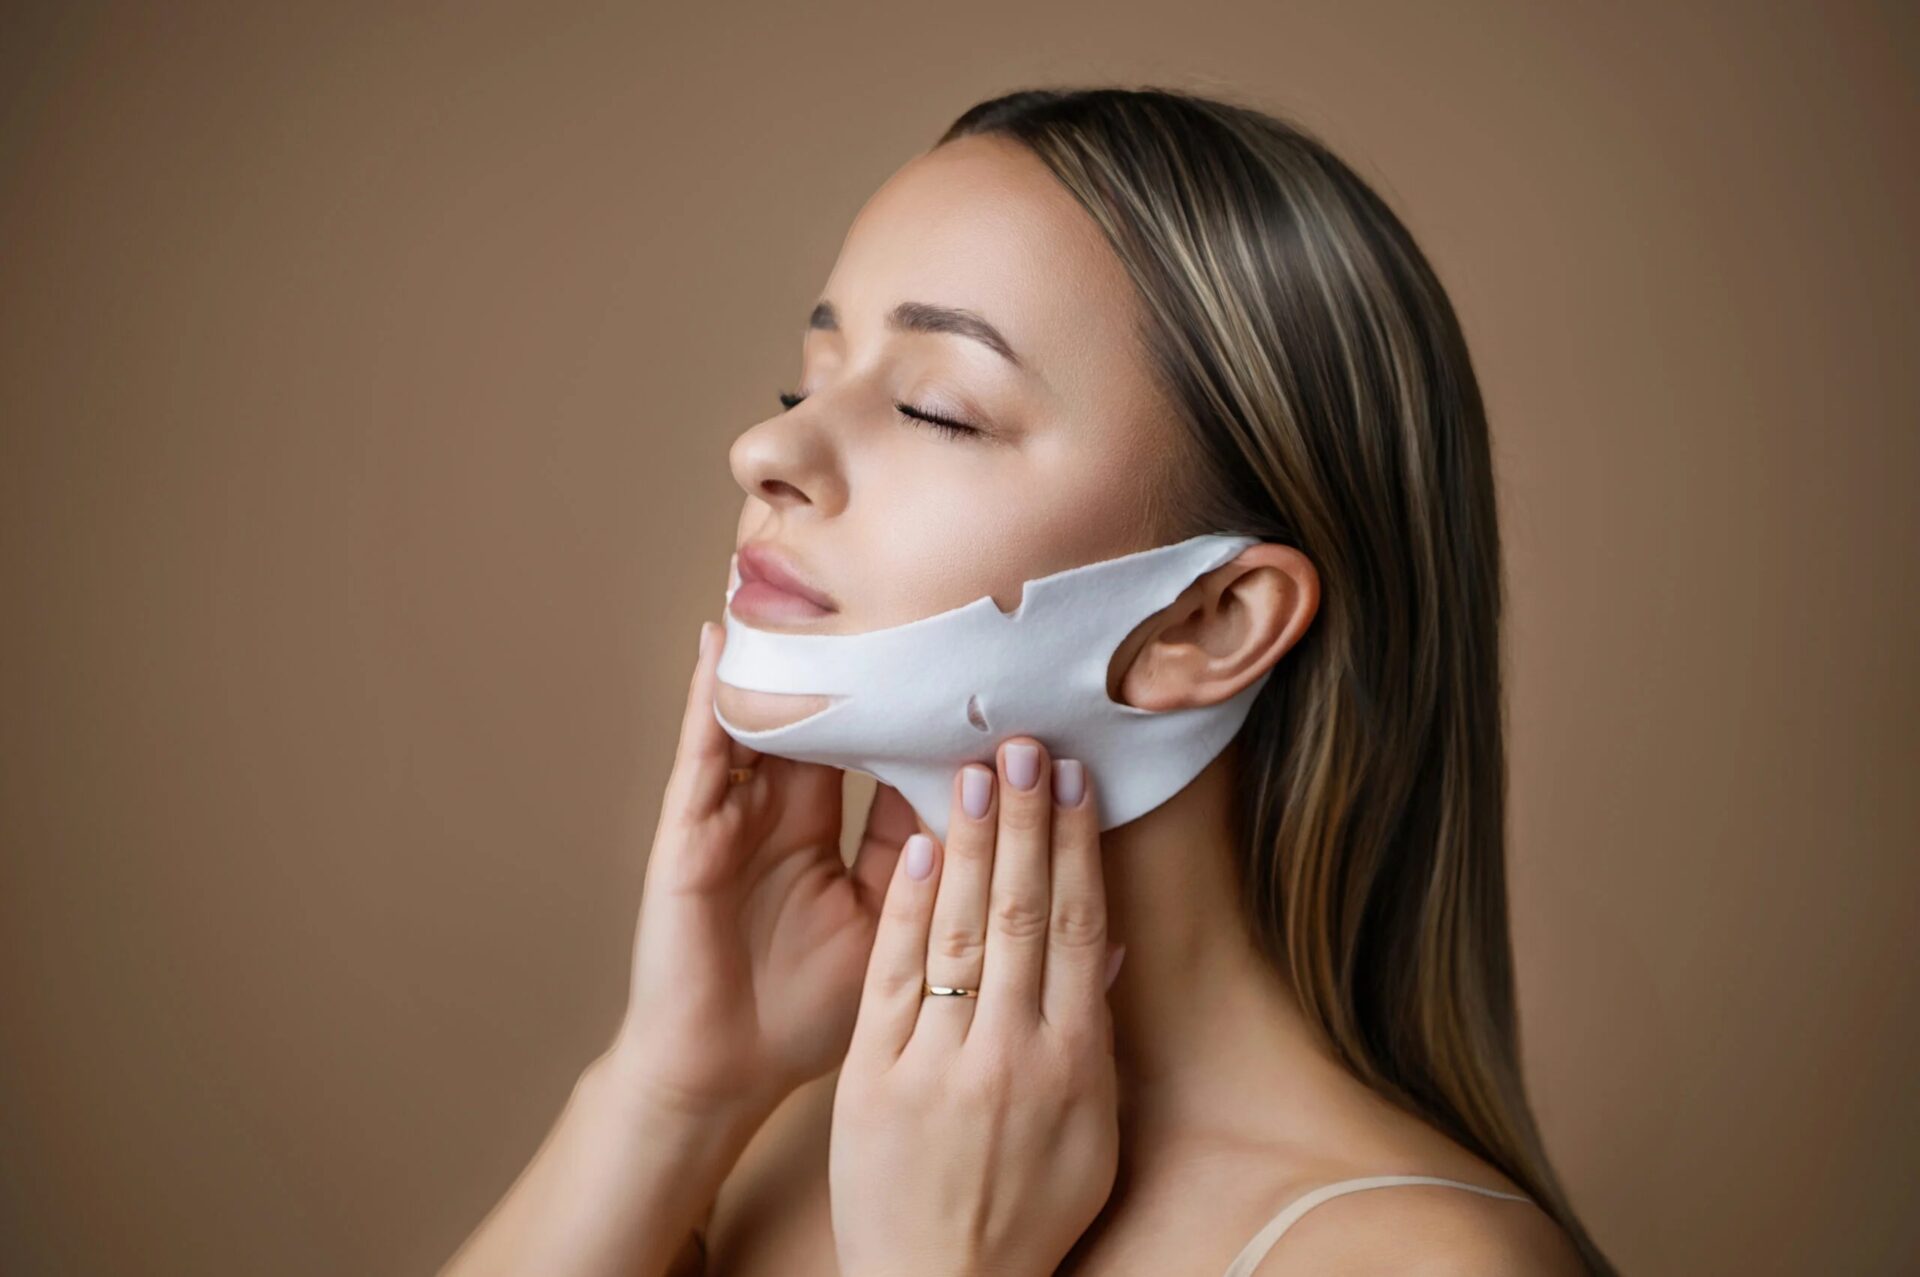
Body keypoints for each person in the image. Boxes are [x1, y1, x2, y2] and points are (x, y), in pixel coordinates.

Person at [441, 86, 1614, 1276]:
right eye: (809, 384)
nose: (765, 449)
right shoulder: (784, 1128)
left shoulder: (1419, 1259)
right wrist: (673, 1090)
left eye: (935, 410)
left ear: (1207, 623)